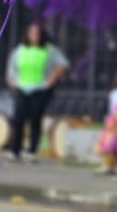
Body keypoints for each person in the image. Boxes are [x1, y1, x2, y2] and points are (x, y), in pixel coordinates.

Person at [5, 21, 69, 162]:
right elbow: (11, 69)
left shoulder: (49, 50)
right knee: (18, 119)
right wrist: (12, 82)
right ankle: (15, 150)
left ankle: (31, 151)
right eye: (32, 33)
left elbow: (63, 64)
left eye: (37, 33)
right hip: (22, 88)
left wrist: (51, 79)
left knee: (35, 120)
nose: (34, 36)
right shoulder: (19, 50)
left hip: (39, 88)